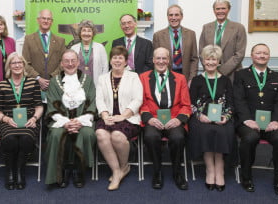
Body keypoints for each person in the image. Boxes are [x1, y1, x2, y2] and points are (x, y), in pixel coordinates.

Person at [234, 43, 278, 196]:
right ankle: (246, 178)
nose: (262, 55)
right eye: (258, 53)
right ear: (252, 56)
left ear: (269, 56)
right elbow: (239, 100)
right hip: (248, 122)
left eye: (265, 53)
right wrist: (246, 120)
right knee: (250, 138)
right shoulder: (241, 75)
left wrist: (277, 121)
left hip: (272, 123)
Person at [139, 47, 191, 190]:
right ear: (153, 60)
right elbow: (140, 102)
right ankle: (157, 172)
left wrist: (178, 120)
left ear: (169, 61)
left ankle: (177, 172)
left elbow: (186, 104)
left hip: (174, 118)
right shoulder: (143, 77)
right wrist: (149, 118)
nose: (161, 61)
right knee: (150, 136)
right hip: (153, 118)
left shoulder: (180, 79)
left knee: (178, 138)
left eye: (164, 58)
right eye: (158, 58)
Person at [44, 50, 96, 188]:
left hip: (83, 121)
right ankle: (60, 171)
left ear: (78, 62)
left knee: (87, 133)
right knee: (56, 134)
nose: (70, 64)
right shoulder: (54, 82)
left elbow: (92, 103)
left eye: (73, 60)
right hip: (61, 121)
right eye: (66, 61)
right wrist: (66, 123)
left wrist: (80, 121)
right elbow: (51, 105)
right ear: (61, 64)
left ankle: (79, 170)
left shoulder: (88, 80)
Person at [0, 52, 43, 190]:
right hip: (7, 121)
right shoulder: (1, 85)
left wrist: (34, 118)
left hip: (29, 121)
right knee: (10, 139)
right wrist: (6, 119)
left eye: (19, 62)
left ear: (24, 65)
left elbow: (39, 107)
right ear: (9, 66)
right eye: (13, 63)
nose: (17, 65)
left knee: (26, 138)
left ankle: (20, 171)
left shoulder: (33, 83)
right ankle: (10, 171)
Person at [95, 46, 143, 191]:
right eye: (114, 57)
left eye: (120, 57)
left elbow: (137, 99)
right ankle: (117, 171)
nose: (117, 60)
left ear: (126, 61)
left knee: (117, 136)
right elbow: (99, 100)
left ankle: (124, 167)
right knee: (100, 134)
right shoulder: (102, 78)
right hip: (108, 116)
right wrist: (105, 116)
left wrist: (122, 116)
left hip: (128, 118)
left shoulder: (133, 77)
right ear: (110, 60)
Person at [188, 45, 235, 192]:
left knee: (222, 131)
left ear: (219, 62)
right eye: (207, 59)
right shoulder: (196, 80)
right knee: (206, 131)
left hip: (221, 117)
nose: (210, 63)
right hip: (201, 117)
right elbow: (190, 103)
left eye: (213, 60)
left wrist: (226, 117)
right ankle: (210, 169)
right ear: (203, 61)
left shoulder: (226, 80)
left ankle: (219, 169)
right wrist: (200, 116)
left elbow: (231, 103)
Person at [199, 0, 246, 81]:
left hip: (232, 74)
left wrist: (221, 72)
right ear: (214, 10)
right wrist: (211, 69)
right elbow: (201, 52)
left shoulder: (238, 28)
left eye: (223, 8)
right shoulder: (206, 28)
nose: (220, 11)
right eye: (217, 9)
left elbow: (239, 54)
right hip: (210, 73)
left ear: (229, 9)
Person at [22, 9, 66, 92]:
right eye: (43, 18)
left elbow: (63, 63)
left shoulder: (60, 41)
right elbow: (25, 63)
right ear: (38, 20)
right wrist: (38, 78)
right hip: (34, 85)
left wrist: (52, 77)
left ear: (52, 22)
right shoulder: (29, 39)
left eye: (49, 19)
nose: (46, 21)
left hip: (55, 84)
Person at [153, 5, 198, 83]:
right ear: (167, 17)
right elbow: (155, 60)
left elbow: (194, 58)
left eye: (176, 15)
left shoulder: (191, 34)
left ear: (181, 16)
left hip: (185, 76)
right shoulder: (158, 35)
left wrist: (192, 78)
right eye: (171, 15)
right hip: (165, 75)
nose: (173, 18)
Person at [71, 19, 108, 86]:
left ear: (93, 33)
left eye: (89, 31)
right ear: (80, 33)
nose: (86, 33)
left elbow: (105, 67)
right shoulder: (74, 48)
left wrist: (102, 84)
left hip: (96, 85)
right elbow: (70, 67)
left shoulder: (100, 47)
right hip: (77, 85)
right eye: (84, 30)